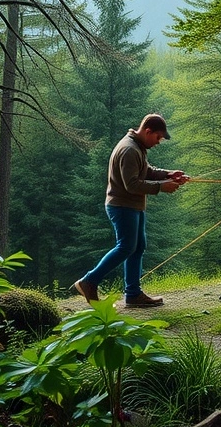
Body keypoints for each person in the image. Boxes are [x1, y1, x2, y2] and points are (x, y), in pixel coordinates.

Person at [73, 113, 188, 308]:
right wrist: (162, 186)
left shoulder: (138, 147)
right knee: (126, 247)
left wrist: (168, 174)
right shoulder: (129, 150)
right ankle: (89, 281)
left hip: (133, 206)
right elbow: (131, 184)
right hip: (122, 206)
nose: (159, 142)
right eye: (158, 137)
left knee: (137, 247)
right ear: (148, 131)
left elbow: (146, 171)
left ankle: (133, 294)